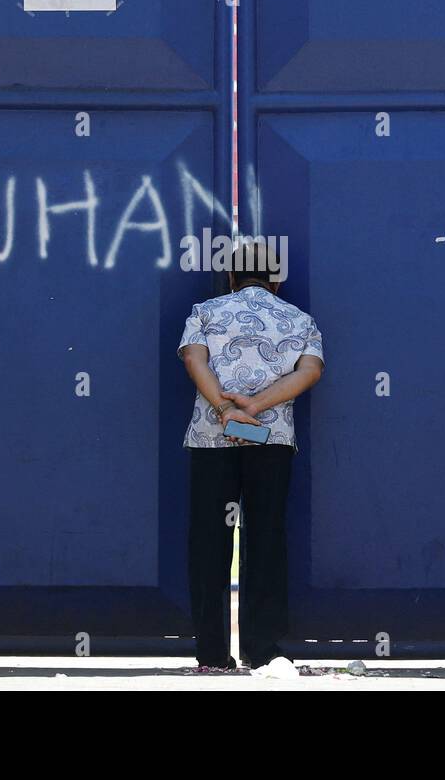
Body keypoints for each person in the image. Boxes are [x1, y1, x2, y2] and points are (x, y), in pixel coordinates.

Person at [177, 238, 324, 670]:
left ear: (230, 276)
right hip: (270, 440)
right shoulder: (299, 319)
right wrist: (255, 407)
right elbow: (311, 370)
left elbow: (193, 360)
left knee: (208, 542)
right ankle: (262, 651)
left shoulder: (205, 311)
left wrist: (225, 408)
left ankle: (210, 654)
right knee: (265, 539)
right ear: (276, 280)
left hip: (211, 438)